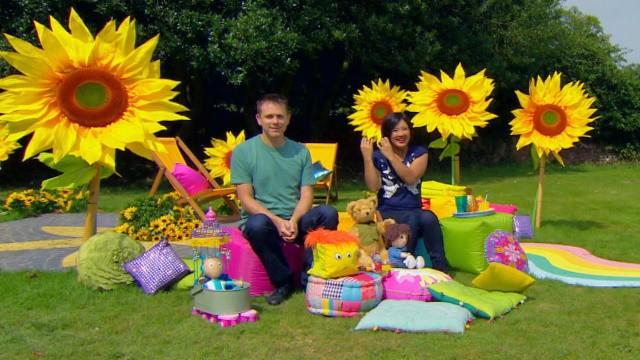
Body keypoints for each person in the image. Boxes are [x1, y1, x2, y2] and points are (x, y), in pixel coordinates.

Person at [231, 93, 339, 305]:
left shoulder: (300, 151)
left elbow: (307, 194)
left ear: (288, 119)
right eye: (269, 116)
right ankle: (283, 282)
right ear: (259, 119)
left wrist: (293, 220)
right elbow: (246, 199)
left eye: (280, 116)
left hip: (296, 219)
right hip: (265, 221)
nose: (275, 122)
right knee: (256, 224)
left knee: (328, 213)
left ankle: (311, 278)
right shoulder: (243, 152)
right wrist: (278, 221)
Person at [360, 112, 450, 273]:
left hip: (413, 208)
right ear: (387, 134)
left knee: (429, 217)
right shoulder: (378, 156)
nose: (401, 134)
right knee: (412, 218)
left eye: (404, 129)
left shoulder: (420, 153)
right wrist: (367, 158)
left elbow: (410, 178)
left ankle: (441, 268)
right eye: (395, 130)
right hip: (389, 210)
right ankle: (404, 265)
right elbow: (373, 187)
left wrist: (391, 156)